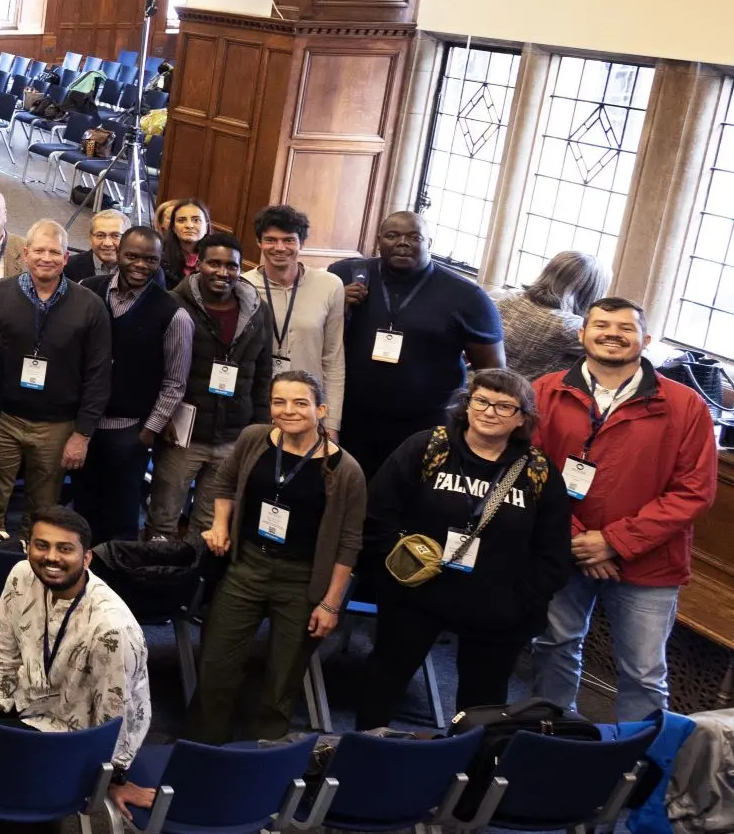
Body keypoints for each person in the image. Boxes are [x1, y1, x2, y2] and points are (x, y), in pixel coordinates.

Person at [526, 299, 719, 723]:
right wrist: (578, 539)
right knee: (555, 645)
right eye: (601, 324)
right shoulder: (546, 391)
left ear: (645, 341)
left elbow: (694, 491)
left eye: (625, 328)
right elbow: (529, 469)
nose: (612, 333)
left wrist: (613, 542)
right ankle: (552, 735)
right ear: (582, 334)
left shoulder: (685, 406)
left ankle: (637, 766)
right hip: (565, 549)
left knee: (644, 673)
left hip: (650, 562)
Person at [356, 369, 573, 730]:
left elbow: (553, 552)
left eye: (505, 406)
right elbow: (378, 515)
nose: (490, 412)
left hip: (496, 611)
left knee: (481, 708)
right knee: (384, 683)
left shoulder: (538, 472)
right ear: (466, 405)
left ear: (522, 418)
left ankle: (466, 777)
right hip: (416, 596)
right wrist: (395, 575)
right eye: (482, 401)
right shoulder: (428, 447)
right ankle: (362, 760)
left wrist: (519, 602)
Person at [0, 508, 151, 808]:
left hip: (71, 722)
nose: (51, 557)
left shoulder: (112, 630)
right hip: (27, 690)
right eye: (42, 545)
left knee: (3, 755)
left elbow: (116, 715)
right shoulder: (22, 575)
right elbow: (1, 654)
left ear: (87, 557)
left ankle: (8, 804)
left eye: (65, 549)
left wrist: (114, 778)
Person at [187, 371, 365, 742]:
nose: (288, 410)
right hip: (246, 566)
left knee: (281, 679)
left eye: (300, 403)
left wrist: (331, 604)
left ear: (321, 409)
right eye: (278, 401)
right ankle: (201, 749)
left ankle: (264, 758)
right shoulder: (255, 439)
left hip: (301, 580)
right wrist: (220, 525)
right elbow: (225, 482)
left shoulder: (345, 469)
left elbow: (349, 542)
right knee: (216, 664)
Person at [329, 211, 505, 476]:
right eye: (392, 235)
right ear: (378, 241)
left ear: (429, 243)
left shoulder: (466, 296)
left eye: (414, 237)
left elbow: (493, 371)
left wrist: (478, 425)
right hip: (352, 417)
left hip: (425, 424)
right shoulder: (344, 276)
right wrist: (336, 304)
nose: (403, 242)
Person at [0, 220, 110, 536]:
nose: (46, 258)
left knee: (42, 508)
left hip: (57, 425)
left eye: (55, 252)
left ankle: (30, 568)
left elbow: (98, 374)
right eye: (39, 250)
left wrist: (82, 434)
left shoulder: (90, 305)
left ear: (66, 258)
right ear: (25, 254)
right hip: (4, 419)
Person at [151, 234, 272, 540]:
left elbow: (262, 374)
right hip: (182, 434)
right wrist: (161, 418)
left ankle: (194, 581)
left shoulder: (258, 310)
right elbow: (155, 367)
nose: (223, 272)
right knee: (163, 518)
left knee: (208, 526)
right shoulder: (173, 304)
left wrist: (259, 428)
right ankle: (153, 578)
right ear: (198, 265)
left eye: (231, 265)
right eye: (214, 263)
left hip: (233, 436)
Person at [80, 227, 189, 547]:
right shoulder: (89, 290)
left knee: (121, 520)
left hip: (130, 431)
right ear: (118, 253)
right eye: (132, 256)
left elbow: (175, 381)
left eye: (150, 259)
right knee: (82, 510)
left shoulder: (173, 313)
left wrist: (148, 432)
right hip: (82, 428)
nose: (140, 265)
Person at [245, 205, 347, 438]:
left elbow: (333, 359)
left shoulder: (330, 285)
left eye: (289, 240)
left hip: (307, 410)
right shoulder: (243, 286)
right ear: (259, 243)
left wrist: (331, 423)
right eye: (270, 240)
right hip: (256, 407)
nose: (279, 248)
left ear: (301, 243)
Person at [495, 251, 607, 381]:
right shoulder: (570, 326)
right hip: (529, 396)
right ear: (589, 291)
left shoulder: (510, 297)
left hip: (484, 384)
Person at [64, 210, 127, 284]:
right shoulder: (67, 268)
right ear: (90, 238)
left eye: (116, 236)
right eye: (100, 235)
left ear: (128, 238)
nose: (107, 243)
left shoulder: (139, 270)